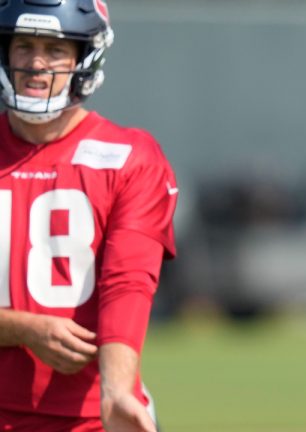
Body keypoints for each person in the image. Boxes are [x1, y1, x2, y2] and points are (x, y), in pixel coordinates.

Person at [0, 1, 176, 431]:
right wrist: (21, 328)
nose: (37, 64)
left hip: (88, 419)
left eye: (55, 49)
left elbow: (128, 282)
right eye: (24, 46)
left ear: (84, 57)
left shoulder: (130, 157)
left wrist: (116, 392)